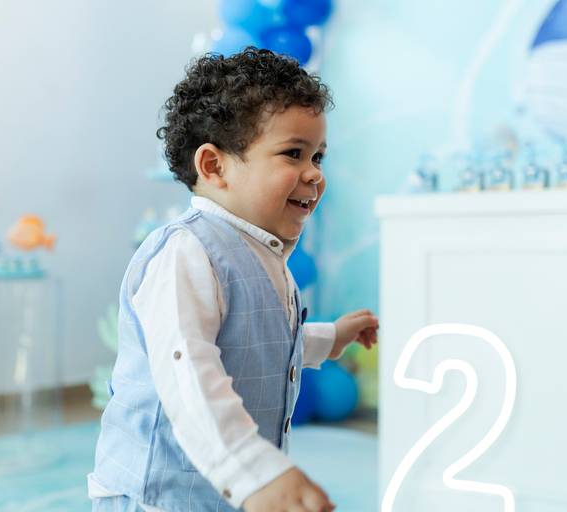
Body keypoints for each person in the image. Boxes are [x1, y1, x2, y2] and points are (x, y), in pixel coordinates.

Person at [88, 47, 379, 512]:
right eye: (294, 154)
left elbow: (256, 343)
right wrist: (256, 472)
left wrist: (329, 338)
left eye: (319, 156)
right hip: (159, 497)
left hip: (222, 495)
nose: (314, 174)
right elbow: (189, 372)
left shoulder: (264, 254)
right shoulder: (186, 253)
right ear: (214, 166)